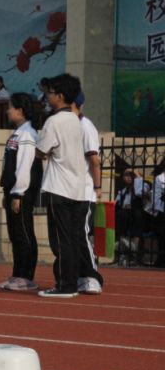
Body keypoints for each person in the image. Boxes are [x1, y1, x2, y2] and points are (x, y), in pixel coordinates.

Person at [36, 73, 89, 298]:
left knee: (61, 240)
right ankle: (73, 281)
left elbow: (41, 151)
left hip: (59, 188)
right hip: (78, 187)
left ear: (59, 96)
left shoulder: (54, 121)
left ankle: (65, 285)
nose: (47, 97)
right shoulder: (76, 120)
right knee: (74, 238)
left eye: (50, 93)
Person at [0, 93, 42, 291]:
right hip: (13, 191)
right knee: (15, 234)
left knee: (23, 232)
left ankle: (26, 276)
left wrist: (18, 193)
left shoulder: (28, 135)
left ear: (21, 110)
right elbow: (9, 165)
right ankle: (17, 274)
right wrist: (7, 191)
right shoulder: (17, 134)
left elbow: (24, 166)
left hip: (21, 192)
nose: (8, 111)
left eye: (10, 107)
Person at [71, 92, 104, 294]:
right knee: (73, 236)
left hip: (84, 192)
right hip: (70, 191)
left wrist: (98, 187)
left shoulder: (85, 127)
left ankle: (92, 276)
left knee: (82, 233)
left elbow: (94, 160)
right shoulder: (68, 127)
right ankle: (81, 275)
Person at [114, 166, 148, 266]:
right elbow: (116, 203)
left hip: (139, 217)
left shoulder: (144, 185)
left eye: (132, 175)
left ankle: (135, 254)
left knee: (136, 214)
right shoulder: (123, 191)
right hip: (125, 218)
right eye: (126, 175)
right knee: (119, 215)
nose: (129, 177)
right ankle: (121, 254)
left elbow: (139, 193)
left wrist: (137, 175)